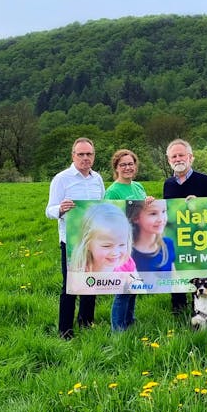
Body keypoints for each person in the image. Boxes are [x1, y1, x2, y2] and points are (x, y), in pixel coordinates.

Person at [46, 137, 105, 339]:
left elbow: (102, 205)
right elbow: (49, 210)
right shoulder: (62, 179)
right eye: (81, 154)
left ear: (94, 156)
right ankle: (65, 330)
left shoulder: (97, 179)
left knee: (91, 282)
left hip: (94, 240)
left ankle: (86, 322)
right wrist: (60, 209)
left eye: (89, 154)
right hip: (71, 242)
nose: (85, 158)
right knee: (70, 286)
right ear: (73, 156)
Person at [162, 139, 207, 312]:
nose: (178, 159)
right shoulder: (168, 184)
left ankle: (204, 309)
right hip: (178, 237)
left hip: (201, 237)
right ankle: (178, 309)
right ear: (169, 160)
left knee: (200, 273)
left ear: (190, 157)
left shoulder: (205, 181)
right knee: (177, 272)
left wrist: (200, 204)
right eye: (174, 156)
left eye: (181, 155)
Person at [104, 148, 147, 331]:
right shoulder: (113, 191)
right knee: (122, 289)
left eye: (130, 164)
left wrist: (149, 201)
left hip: (138, 243)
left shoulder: (138, 187)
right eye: (123, 165)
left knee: (133, 286)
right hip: (122, 245)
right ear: (116, 168)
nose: (128, 167)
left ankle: (129, 321)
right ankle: (117, 330)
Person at [125, 197, 176, 316]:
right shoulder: (127, 250)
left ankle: (179, 313)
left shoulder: (167, 244)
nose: (161, 219)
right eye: (153, 214)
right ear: (136, 217)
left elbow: (174, 279)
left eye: (164, 212)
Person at [68, 202, 132, 274]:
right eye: (107, 246)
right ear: (88, 244)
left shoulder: (126, 263)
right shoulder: (80, 271)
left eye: (122, 245)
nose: (115, 253)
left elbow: (136, 282)